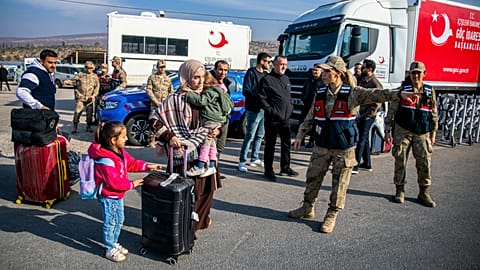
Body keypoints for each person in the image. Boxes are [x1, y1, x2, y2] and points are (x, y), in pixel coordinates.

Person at [288, 55, 417, 234]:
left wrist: (398, 94)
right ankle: (307, 207)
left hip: (343, 148)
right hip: (322, 145)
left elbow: (376, 94)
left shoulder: (352, 93)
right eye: (323, 71)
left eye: (327, 71)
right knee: (312, 178)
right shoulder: (321, 92)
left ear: (338, 74)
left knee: (339, 183)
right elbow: (311, 116)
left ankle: (332, 214)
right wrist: (301, 134)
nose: (323, 74)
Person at [149, 59, 222, 234]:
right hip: (183, 156)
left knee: (207, 190)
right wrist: (170, 137)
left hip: (204, 152)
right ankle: (184, 228)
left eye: (202, 77)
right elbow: (153, 119)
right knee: (187, 193)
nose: (200, 81)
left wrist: (216, 130)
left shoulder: (207, 96)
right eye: (196, 77)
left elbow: (217, 119)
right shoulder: (174, 99)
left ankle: (200, 221)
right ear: (186, 76)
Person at [88, 120, 162, 262]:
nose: (127, 138)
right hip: (109, 196)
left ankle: (114, 242)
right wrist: (131, 184)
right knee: (110, 222)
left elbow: (132, 163)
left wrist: (147, 166)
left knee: (119, 220)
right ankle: (110, 248)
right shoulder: (106, 160)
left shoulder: (119, 151)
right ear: (113, 140)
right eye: (123, 137)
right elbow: (114, 182)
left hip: (117, 196)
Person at [384, 61, 438, 207]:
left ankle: (424, 192)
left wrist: (433, 133)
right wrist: (387, 130)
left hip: (422, 132)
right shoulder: (403, 90)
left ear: (424, 74)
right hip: (403, 131)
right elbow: (392, 111)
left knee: (424, 163)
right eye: (413, 73)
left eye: (419, 73)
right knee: (400, 160)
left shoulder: (429, 90)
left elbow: (433, 113)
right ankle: (399, 189)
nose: (416, 76)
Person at [258, 55, 298, 181]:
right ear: (274, 65)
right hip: (273, 119)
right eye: (281, 64)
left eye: (285, 64)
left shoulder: (286, 78)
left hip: (285, 118)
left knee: (286, 144)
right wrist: (271, 111)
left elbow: (288, 97)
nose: (283, 67)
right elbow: (262, 98)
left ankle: (285, 167)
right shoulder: (267, 80)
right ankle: (268, 170)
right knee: (270, 145)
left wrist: (290, 108)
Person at [185, 71, 233, 178]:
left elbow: (201, 101)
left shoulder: (210, 91)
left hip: (210, 119)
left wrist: (188, 94)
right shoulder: (219, 90)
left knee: (205, 142)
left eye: (202, 78)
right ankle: (212, 165)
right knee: (211, 143)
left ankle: (201, 165)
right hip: (217, 120)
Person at [238, 52, 271, 172]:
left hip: (263, 109)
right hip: (253, 109)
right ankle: (242, 160)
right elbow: (246, 90)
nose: (269, 64)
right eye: (267, 61)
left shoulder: (266, 75)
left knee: (260, 135)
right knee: (250, 135)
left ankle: (254, 157)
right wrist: (258, 97)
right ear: (261, 61)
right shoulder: (251, 73)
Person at [352, 59, 383, 174]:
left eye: (364, 67)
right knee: (363, 139)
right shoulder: (362, 80)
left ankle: (355, 165)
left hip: (368, 116)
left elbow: (377, 103)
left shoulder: (375, 84)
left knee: (361, 138)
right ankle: (367, 163)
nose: (361, 69)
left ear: (370, 69)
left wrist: (367, 115)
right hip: (360, 113)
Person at [146, 59, 173, 147]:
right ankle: (151, 141)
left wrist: (168, 102)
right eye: (160, 67)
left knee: (165, 122)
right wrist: (155, 101)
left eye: (163, 67)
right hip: (155, 104)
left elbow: (171, 91)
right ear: (157, 67)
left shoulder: (168, 79)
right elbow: (149, 90)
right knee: (153, 121)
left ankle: (164, 140)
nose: (162, 69)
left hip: (164, 105)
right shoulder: (152, 77)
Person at [210, 60, 231, 160]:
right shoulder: (209, 82)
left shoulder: (226, 83)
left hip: (224, 119)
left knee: (220, 147)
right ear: (215, 70)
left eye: (226, 70)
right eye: (221, 70)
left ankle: (215, 170)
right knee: (210, 147)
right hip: (213, 119)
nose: (223, 72)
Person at [72, 61, 100, 133]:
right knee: (77, 112)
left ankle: (88, 126)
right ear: (85, 68)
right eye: (87, 68)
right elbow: (73, 81)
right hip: (81, 97)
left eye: (91, 68)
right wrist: (67, 82)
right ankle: (75, 127)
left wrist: (94, 95)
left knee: (90, 113)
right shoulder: (81, 75)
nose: (89, 70)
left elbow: (97, 87)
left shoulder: (95, 76)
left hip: (89, 98)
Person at [300, 63, 323, 148]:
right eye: (313, 70)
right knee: (302, 121)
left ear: (321, 71)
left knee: (314, 124)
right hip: (306, 104)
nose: (314, 72)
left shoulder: (322, 82)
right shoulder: (308, 80)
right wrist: (303, 98)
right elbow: (304, 90)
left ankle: (311, 141)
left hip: (316, 106)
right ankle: (301, 140)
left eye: (316, 70)